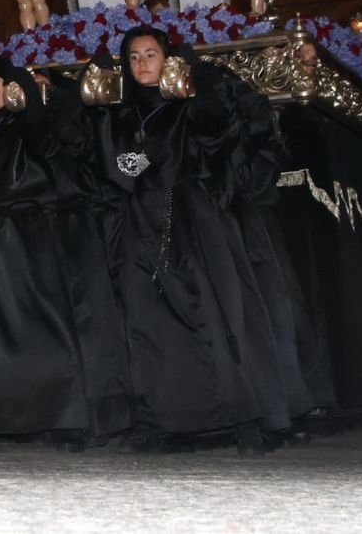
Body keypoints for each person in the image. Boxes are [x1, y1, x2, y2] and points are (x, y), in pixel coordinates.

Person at [85, 26, 303, 451]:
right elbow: (111, 167)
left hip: (189, 220)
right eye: (134, 57)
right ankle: (166, 417)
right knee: (147, 320)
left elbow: (220, 130)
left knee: (214, 311)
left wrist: (196, 75)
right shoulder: (121, 114)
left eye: (151, 54)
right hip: (139, 221)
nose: (142, 63)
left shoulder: (188, 105)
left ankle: (240, 414)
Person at [0, 56, 130, 448]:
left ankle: (49, 414)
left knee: (31, 330)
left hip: (20, 240)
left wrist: (32, 102)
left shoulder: (28, 124)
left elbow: (49, 149)